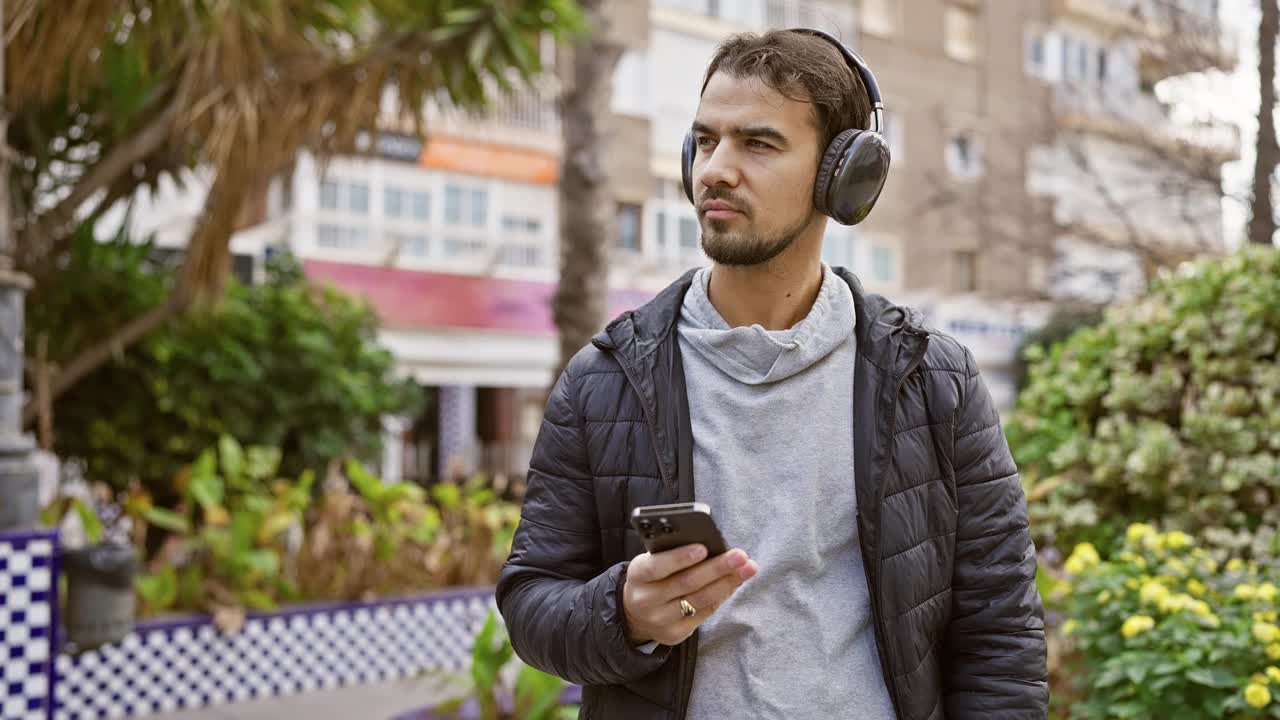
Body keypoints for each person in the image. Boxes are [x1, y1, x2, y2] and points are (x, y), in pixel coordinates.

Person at [497, 27, 1048, 720]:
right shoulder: (605, 381)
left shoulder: (934, 381)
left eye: (758, 143)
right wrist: (624, 613)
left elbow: (999, 629)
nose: (715, 171)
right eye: (704, 140)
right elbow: (531, 603)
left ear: (842, 176)